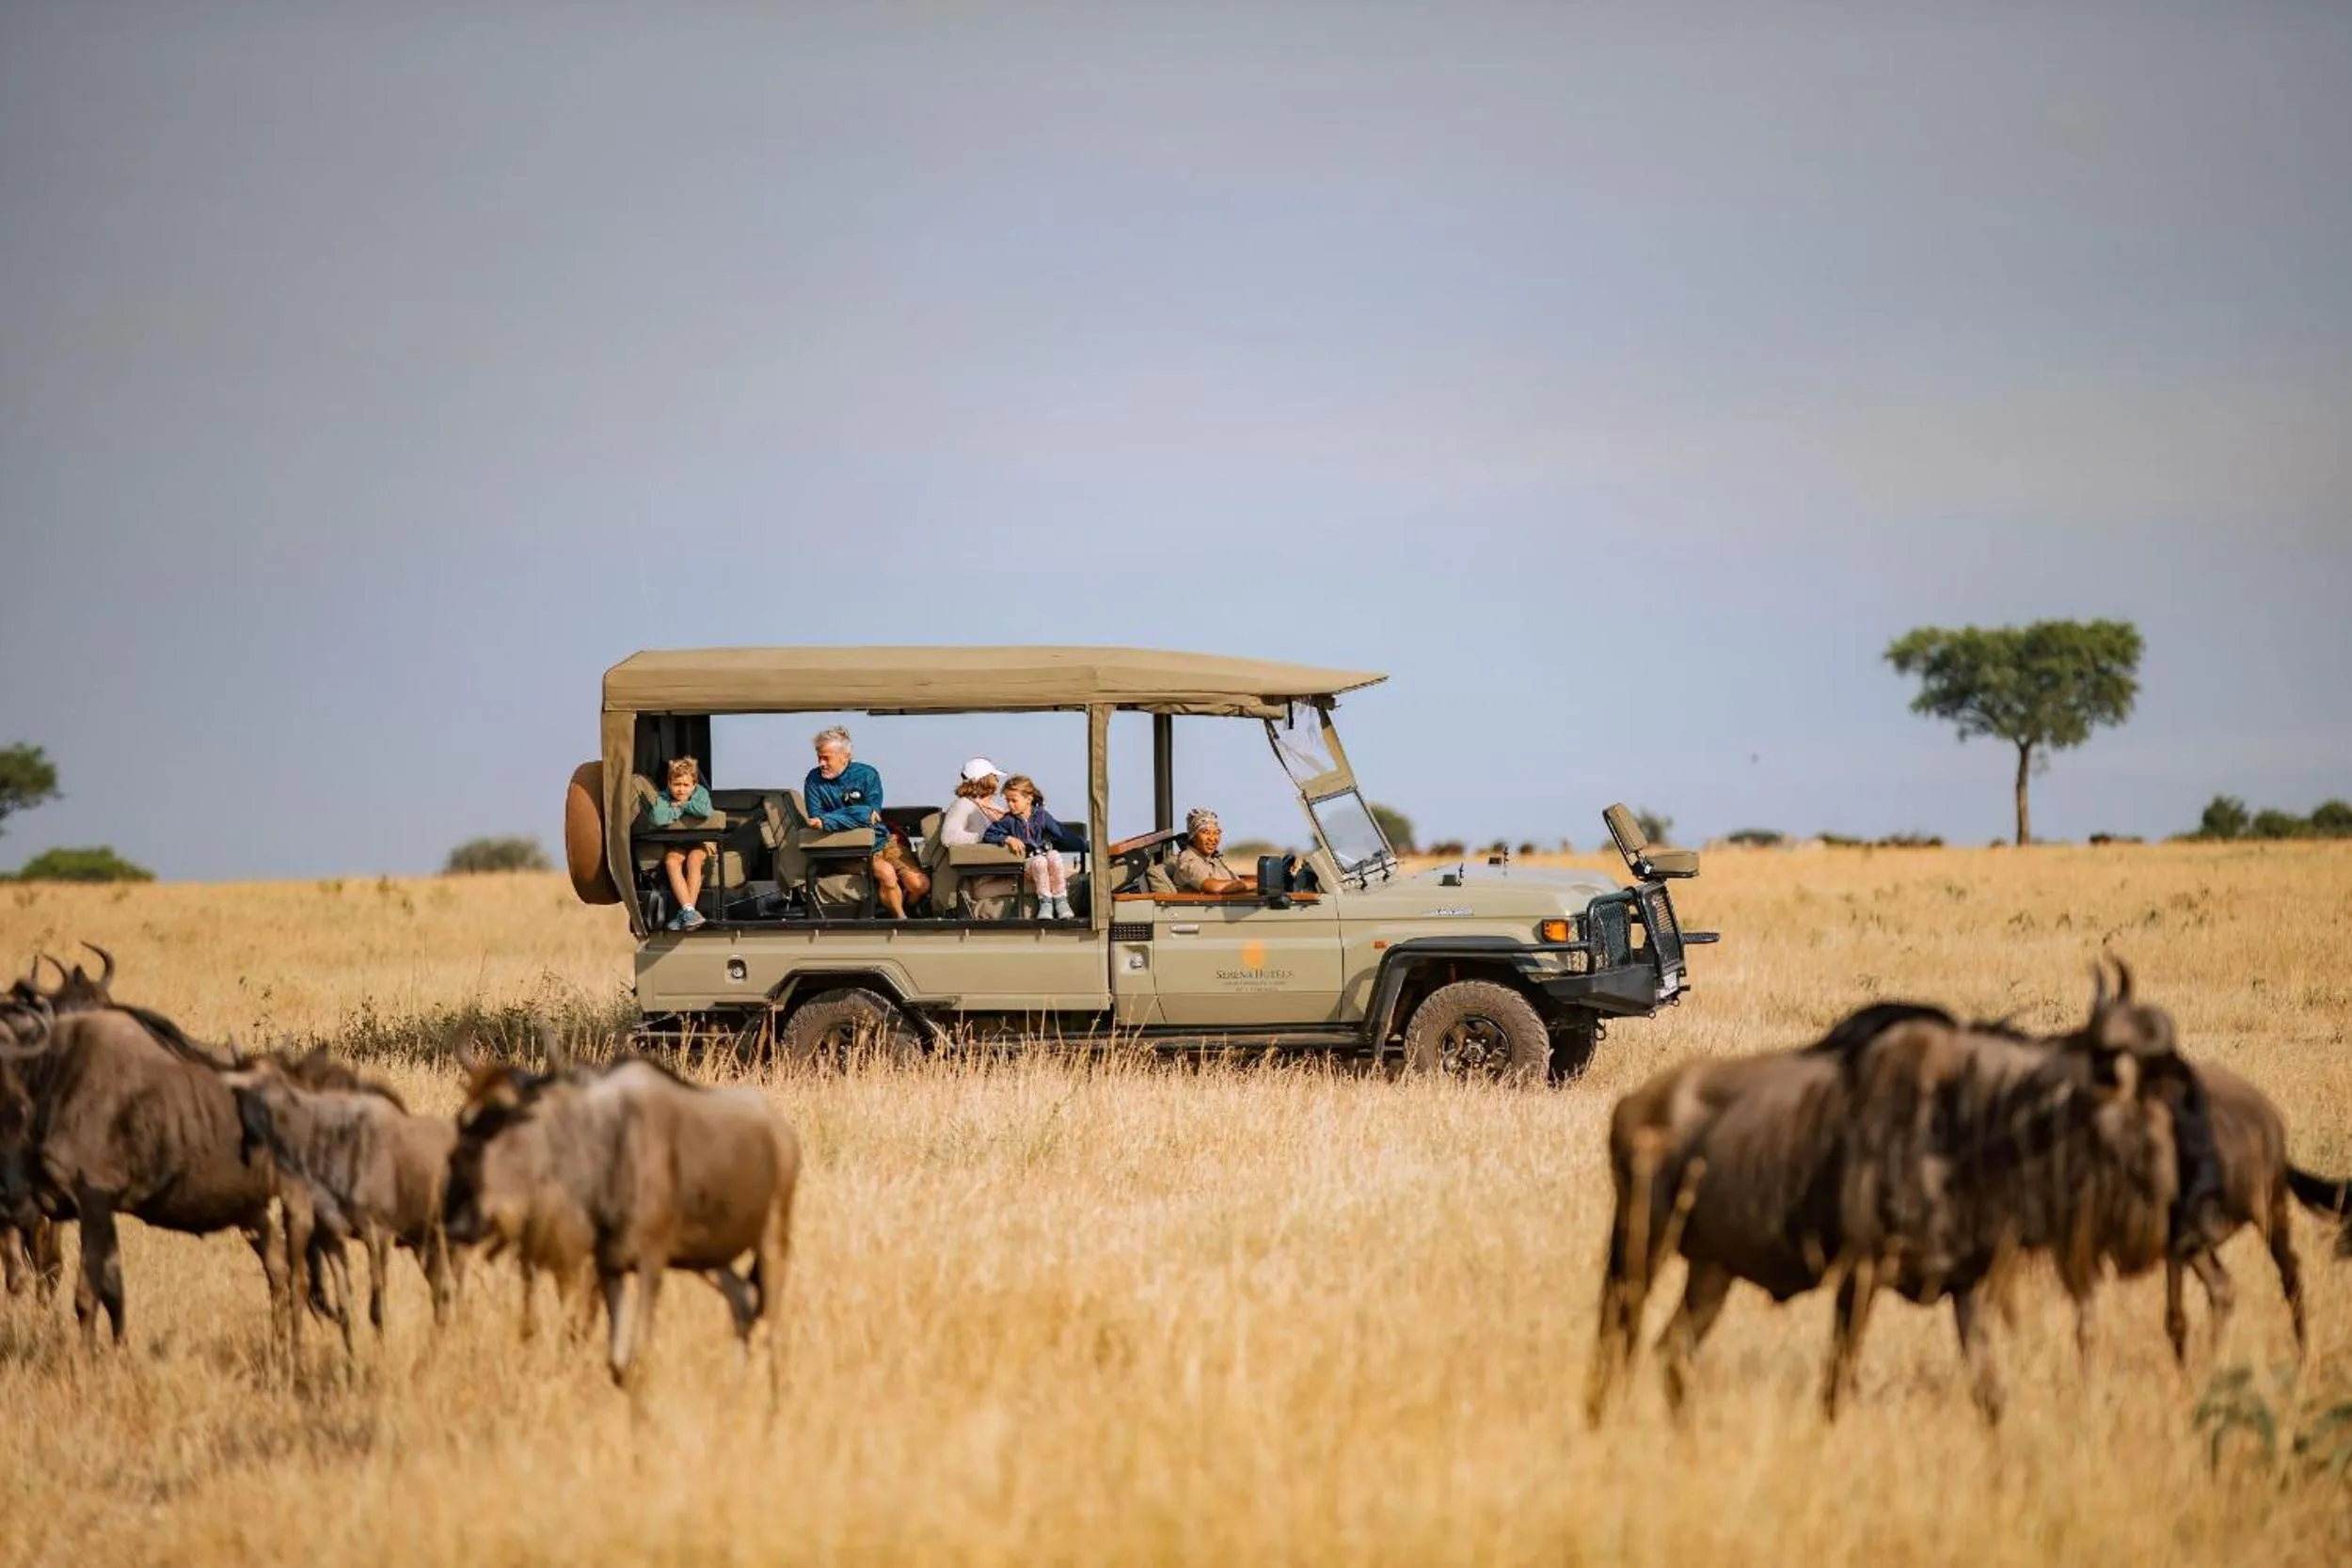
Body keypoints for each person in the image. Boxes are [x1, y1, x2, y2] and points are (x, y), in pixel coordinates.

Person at [803, 725, 930, 919]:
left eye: (826, 758)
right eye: (819, 757)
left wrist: (831, 819)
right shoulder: (813, 780)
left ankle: (907, 905)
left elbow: (872, 815)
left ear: (845, 756)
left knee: (920, 885)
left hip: (883, 841)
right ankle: (901, 920)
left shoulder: (867, 774)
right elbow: (816, 820)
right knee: (886, 873)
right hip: (848, 852)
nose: (821, 763)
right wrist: (858, 814)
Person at [982, 774, 1083, 920]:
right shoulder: (1008, 820)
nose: (1010, 804)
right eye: (1007, 800)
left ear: (1028, 799)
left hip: (1045, 856)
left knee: (1054, 855)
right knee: (1039, 862)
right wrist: (1008, 838)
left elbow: (1061, 833)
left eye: (1014, 800)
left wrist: (1083, 845)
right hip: (1028, 863)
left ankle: (1061, 900)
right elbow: (989, 834)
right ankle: (1045, 902)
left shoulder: (1041, 816)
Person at [649, 755, 714, 930]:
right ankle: (689, 913)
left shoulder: (701, 793)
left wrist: (682, 805)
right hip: (678, 842)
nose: (681, 789)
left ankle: (686, 914)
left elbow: (705, 811)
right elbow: (658, 817)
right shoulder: (663, 797)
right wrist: (678, 812)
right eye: (676, 784)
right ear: (669, 783)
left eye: (686, 785)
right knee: (671, 861)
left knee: (694, 859)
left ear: (694, 785)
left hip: (702, 841)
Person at [1169, 806, 1257, 895]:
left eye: (1216, 833)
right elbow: (1214, 887)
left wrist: (1259, 881)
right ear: (1193, 837)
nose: (1212, 838)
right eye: (1206, 832)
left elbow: (1234, 880)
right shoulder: (1189, 860)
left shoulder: (1212, 859)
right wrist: (1256, 884)